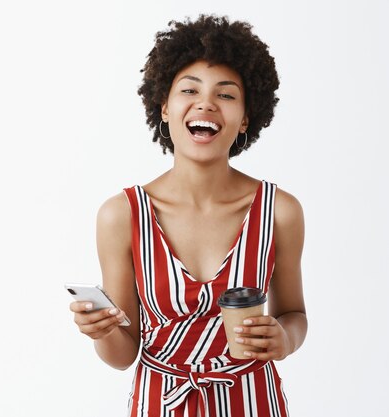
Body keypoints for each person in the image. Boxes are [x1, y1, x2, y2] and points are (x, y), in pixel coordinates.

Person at [69, 14, 307, 417]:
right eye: (189, 90)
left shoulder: (279, 211)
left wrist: (285, 337)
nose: (206, 103)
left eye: (227, 95)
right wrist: (103, 331)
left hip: (254, 404)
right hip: (158, 405)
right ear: (164, 106)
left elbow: (294, 314)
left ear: (246, 117)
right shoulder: (121, 215)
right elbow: (123, 355)